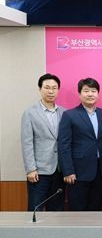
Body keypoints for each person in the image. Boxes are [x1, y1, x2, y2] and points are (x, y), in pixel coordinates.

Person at [58, 77, 102, 211]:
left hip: (101, 171)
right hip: (78, 172)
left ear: (98, 94)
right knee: (77, 211)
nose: (90, 94)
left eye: (93, 91)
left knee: (96, 209)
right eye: (86, 91)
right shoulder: (69, 115)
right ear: (79, 93)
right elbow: (64, 145)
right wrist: (68, 171)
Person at [20, 73, 66, 211]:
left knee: (57, 211)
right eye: (47, 87)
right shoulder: (30, 113)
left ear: (58, 90)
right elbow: (27, 143)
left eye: (54, 88)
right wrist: (31, 169)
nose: (51, 91)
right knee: (36, 209)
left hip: (59, 170)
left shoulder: (64, 113)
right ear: (40, 89)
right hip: (39, 172)